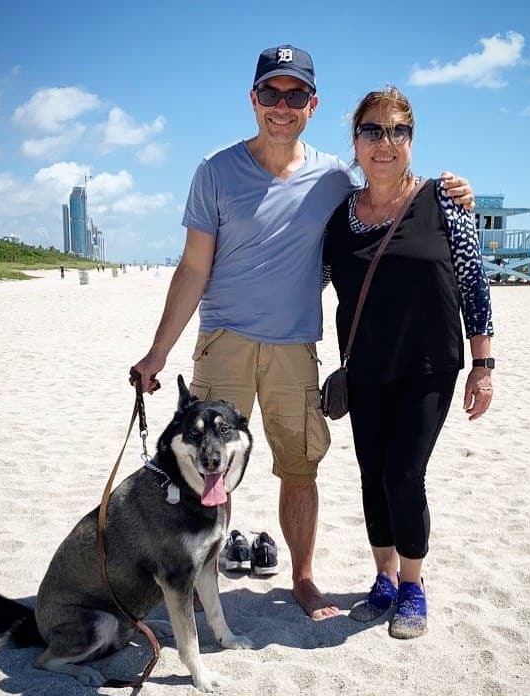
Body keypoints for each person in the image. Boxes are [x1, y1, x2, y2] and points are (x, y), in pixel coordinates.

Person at [131, 46, 475, 620]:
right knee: (207, 468)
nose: (281, 106)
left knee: (299, 467)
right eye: (271, 93)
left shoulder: (335, 179)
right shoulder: (214, 171)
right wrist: (157, 352)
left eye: (295, 95)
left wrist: (453, 190)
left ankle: (305, 579)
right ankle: (199, 577)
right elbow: (193, 267)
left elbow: (387, 194)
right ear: (253, 99)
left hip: (294, 345)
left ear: (312, 105)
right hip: (225, 341)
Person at [321, 85, 493, 637]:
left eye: (398, 130)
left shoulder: (444, 200)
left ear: (412, 141)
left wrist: (483, 364)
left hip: (429, 365)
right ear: (355, 142)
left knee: (404, 474)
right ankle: (384, 578)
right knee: (373, 476)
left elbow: (473, 282)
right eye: (372, 130)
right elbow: (312, 284)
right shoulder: (340, 217)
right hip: (366, 368)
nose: (385, 142)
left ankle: (414, 585)